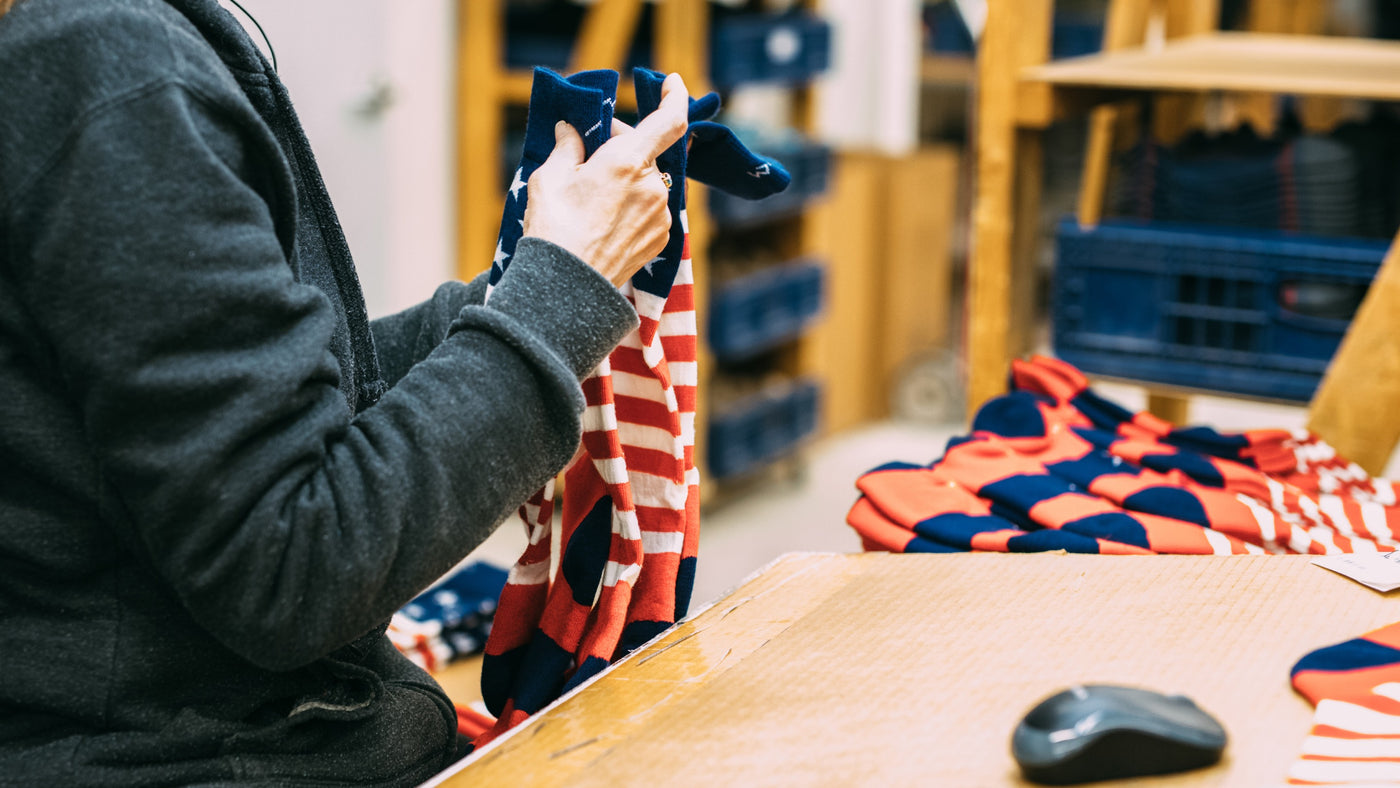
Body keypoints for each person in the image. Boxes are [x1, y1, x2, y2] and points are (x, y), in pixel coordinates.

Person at [0, 0, 689, 784]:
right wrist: (561, 293)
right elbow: (293, 569)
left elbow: (257, 406)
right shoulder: (100, 74)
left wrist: (527, 289)